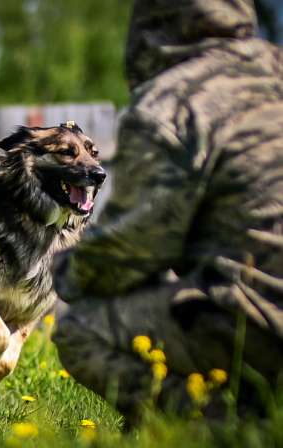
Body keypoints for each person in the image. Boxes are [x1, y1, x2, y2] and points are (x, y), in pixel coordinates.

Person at [52, 0, 283, 420]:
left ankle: (227, 427)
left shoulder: (173, 101)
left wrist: (67, 270)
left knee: (80, 330)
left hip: (260, 319)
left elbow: (133, 249)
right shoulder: (275, 69)